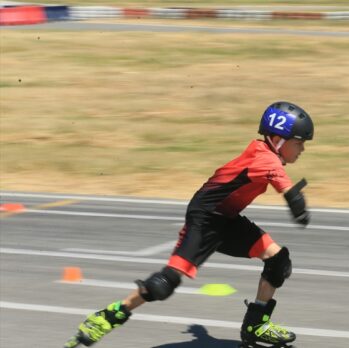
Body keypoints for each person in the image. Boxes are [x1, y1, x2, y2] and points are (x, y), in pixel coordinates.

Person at [65, 101, 314, 348]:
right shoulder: (266, 159)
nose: (302, 149)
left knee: (278, 260)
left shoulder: (266, 154)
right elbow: (286, 188)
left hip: (226, 219)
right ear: (279, 140)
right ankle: (107, 317)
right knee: (164, 284)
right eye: (298, 142)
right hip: (204, 218)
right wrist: (298, 206)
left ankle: (256, 326)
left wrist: (199, 332)